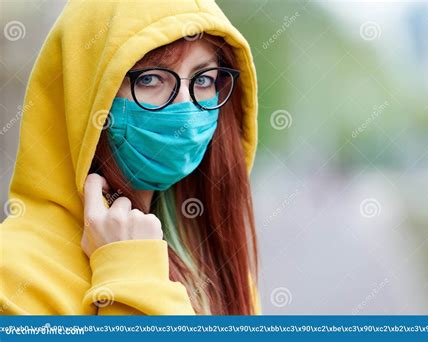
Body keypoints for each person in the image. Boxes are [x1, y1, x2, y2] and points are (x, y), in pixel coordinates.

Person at [0, 0, 260, 315]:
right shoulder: (13, 276)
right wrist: (131, 276)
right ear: (85, 94)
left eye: (203, 79)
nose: (185, 108)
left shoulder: (207, 261)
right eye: (150, 79)